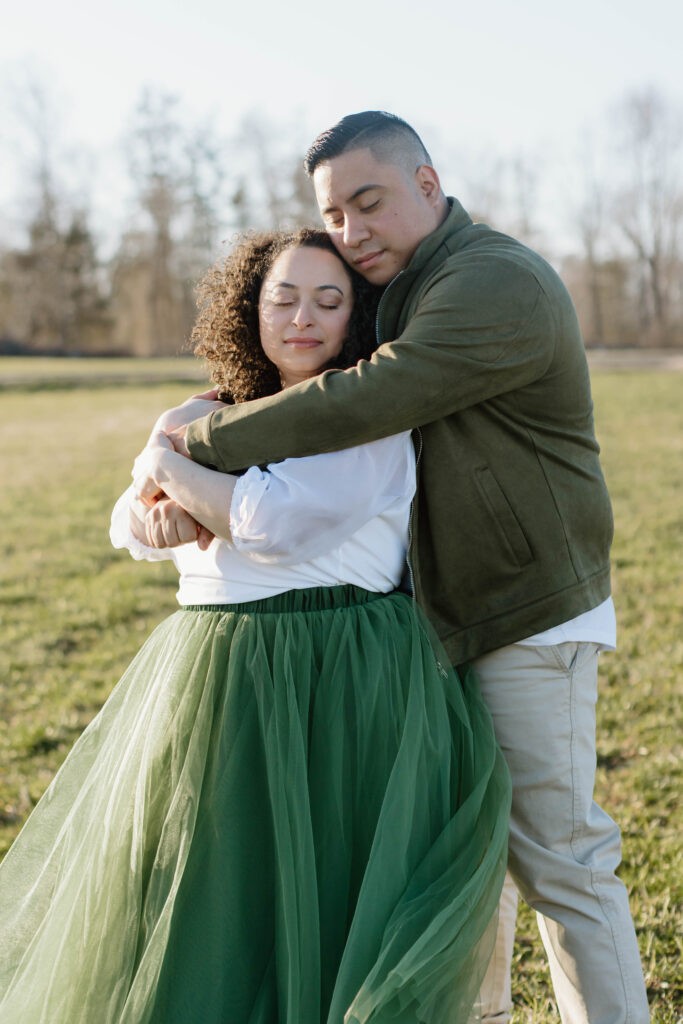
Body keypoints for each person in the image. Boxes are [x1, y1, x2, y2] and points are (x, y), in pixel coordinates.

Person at [154, 113, 650, 1024]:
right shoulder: (401, 285)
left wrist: (198, 443)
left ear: (428, 184)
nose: (351, 231)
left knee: (558, 862)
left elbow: (372, 393)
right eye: (333, 214)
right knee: (459, 861)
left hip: (523, 612)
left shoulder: (489, 278)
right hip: (435, 621)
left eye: (367, 202)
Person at [0, 228, 510, 1024]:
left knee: (325, 891)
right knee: (210, 884)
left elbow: (273, 524)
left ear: (357, 317)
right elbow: (125, 526)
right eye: (283, 296)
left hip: (341, 670)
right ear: (251, 307)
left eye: (328, 300)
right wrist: (157, 516)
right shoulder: (202, 410)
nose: (302, 318)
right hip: (216, 676)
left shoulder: (369, 420)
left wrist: (171, 474)